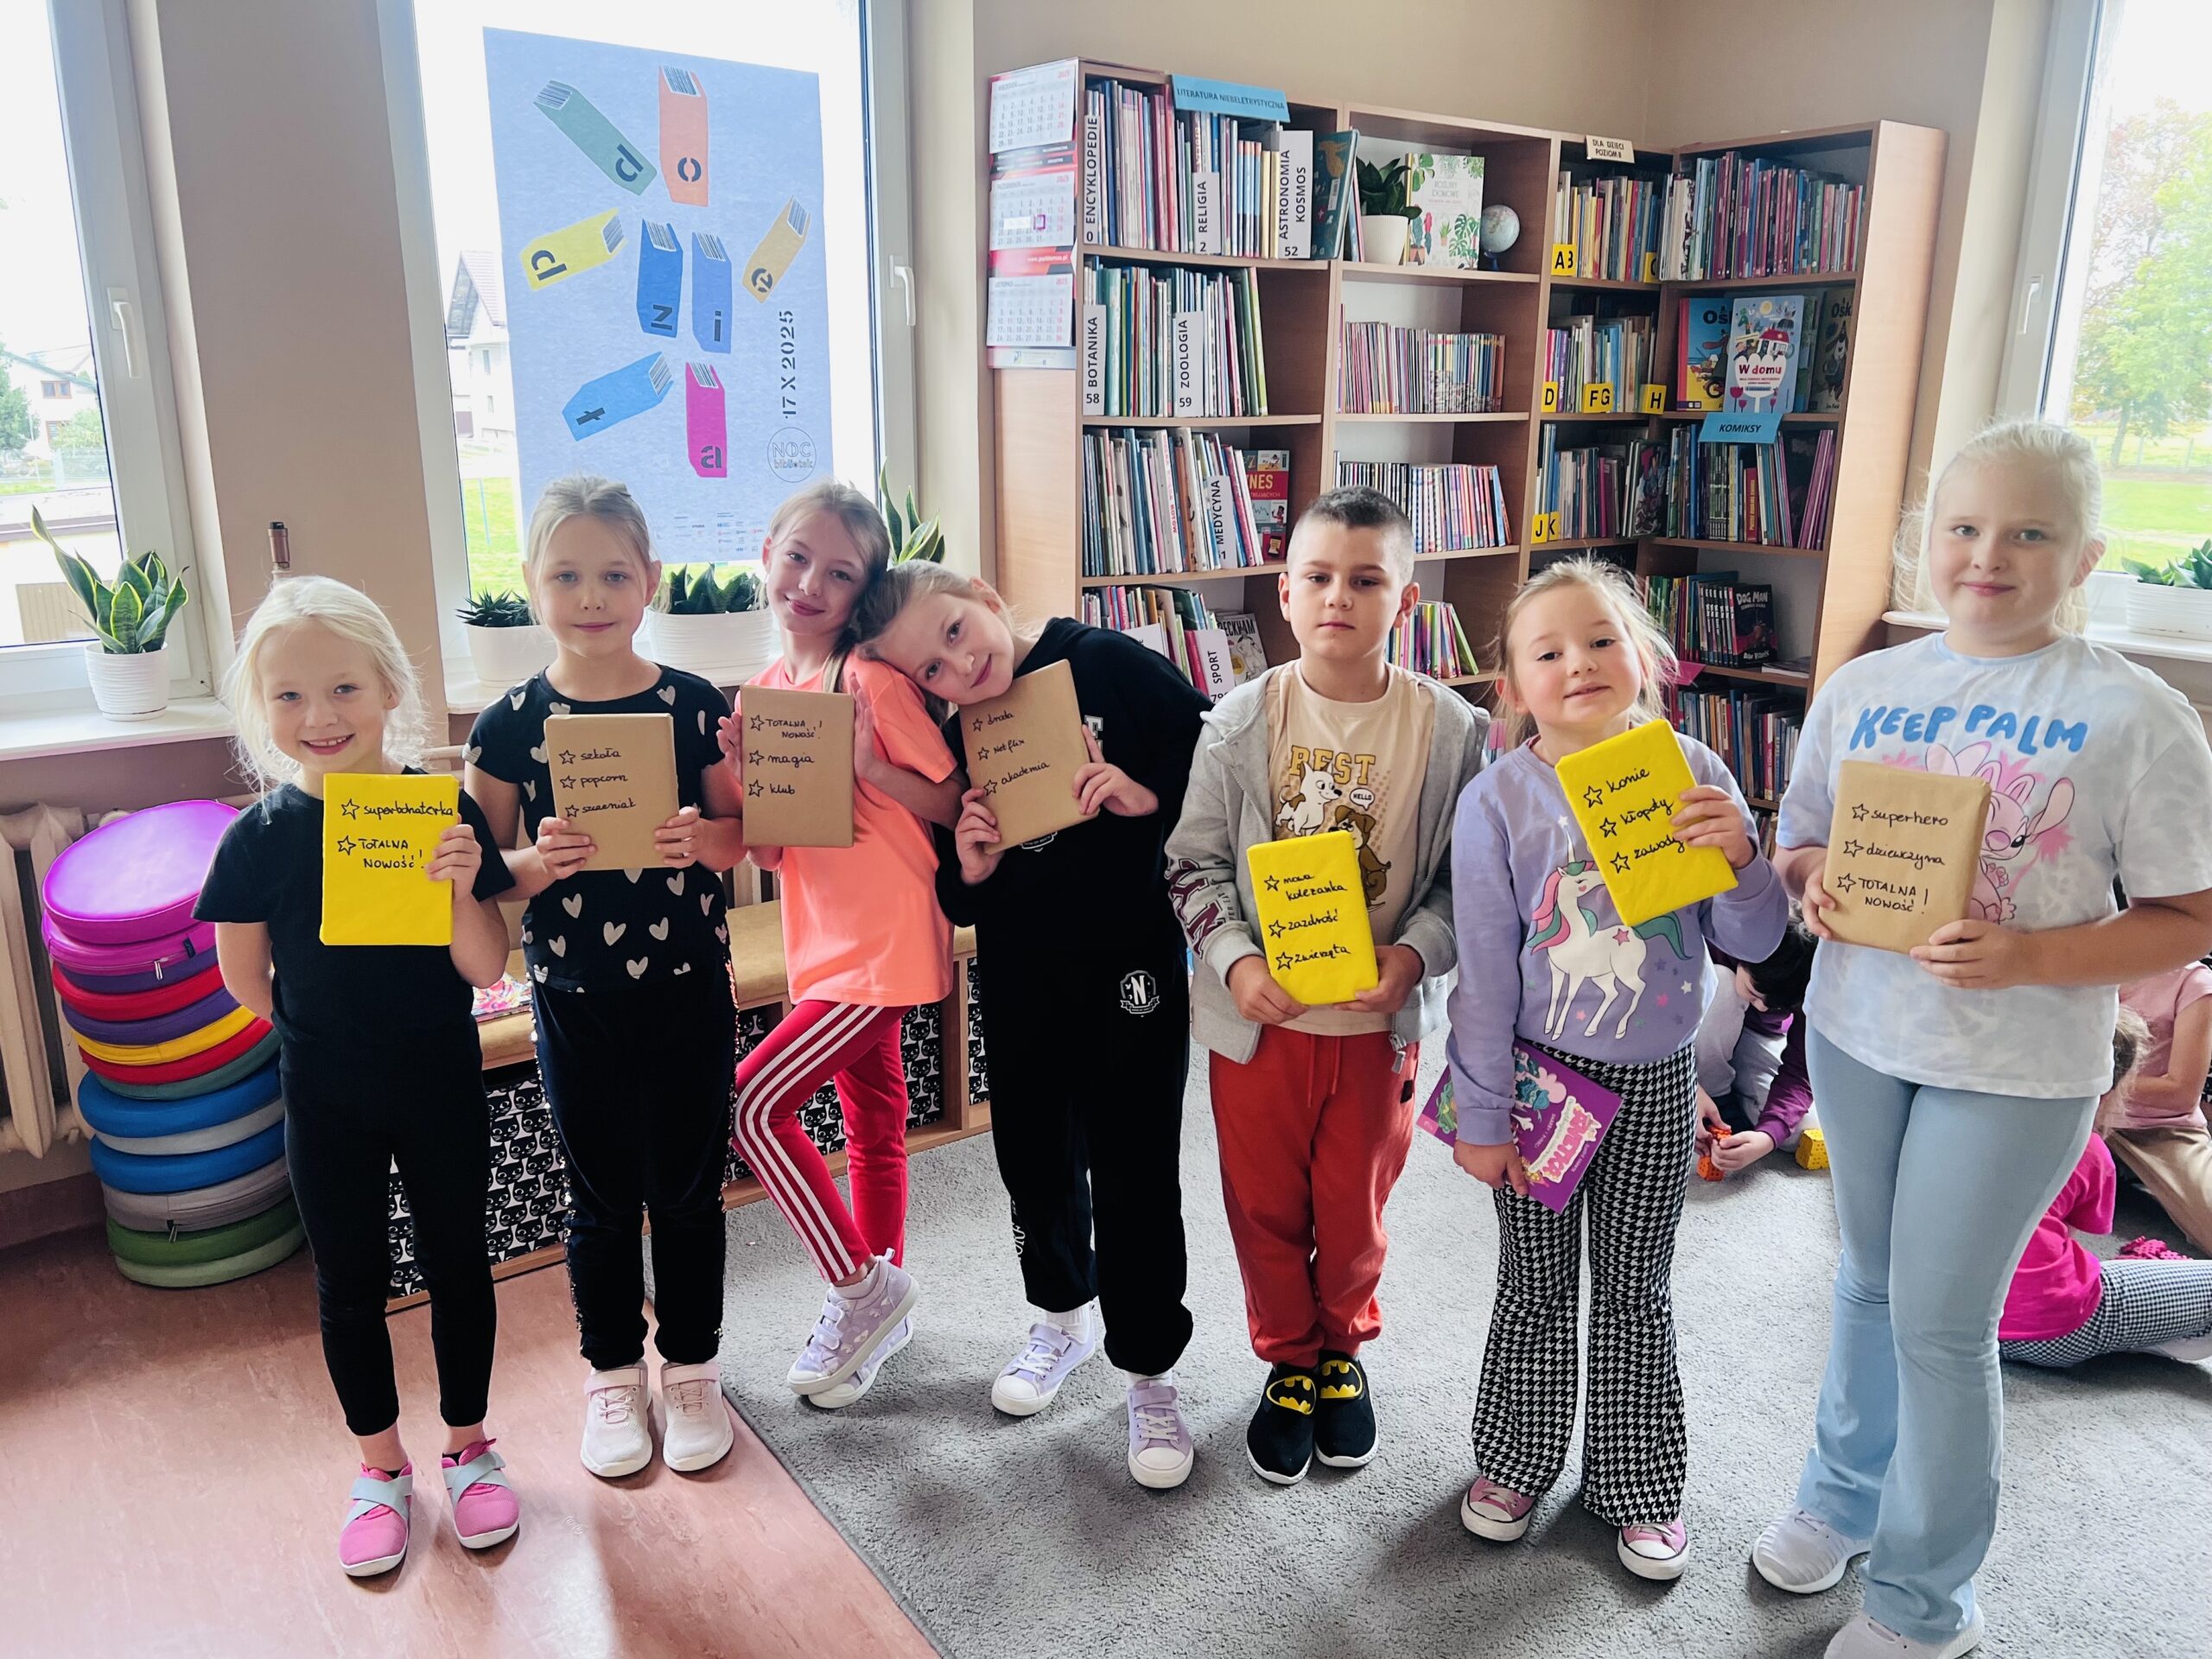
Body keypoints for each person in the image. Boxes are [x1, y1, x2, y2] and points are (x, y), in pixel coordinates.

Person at [1753, 420, 2212, 1659]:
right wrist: (1812, 881)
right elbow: (1801, 840)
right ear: (1927, 541)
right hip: (1858, 1032)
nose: (1987, 555)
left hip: (2015, 1069)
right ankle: (1839, 1502)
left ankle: (1924, 1606)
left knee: (1944, 1326)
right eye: (1962, 527)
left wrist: (2028, 958)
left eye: (2029, 532)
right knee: (1864, 1281)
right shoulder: (1866, 687)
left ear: (2086, 557)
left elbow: (2191, 914)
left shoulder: (2136, 714)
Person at [1447, 556, 1786, 1581]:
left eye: (1601, 640)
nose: (1579, 663)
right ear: (1512, 686)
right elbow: (1484, 974)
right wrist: (1482, 1114)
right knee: (1534, 1284)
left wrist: (1743, 860)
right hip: (1541, 1082)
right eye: (1547, 651)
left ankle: (1635, 1483)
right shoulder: (1497, 801)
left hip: (1657, 1080)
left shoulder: (1694, 768)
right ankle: (1515, 1461)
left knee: (1637, 1287)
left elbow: (1753, 938)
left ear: (1643, 657)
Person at [854, 559, 1210, 1487]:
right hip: (1022, 981)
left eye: (955, 633)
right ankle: (1060, 1319)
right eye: (931, 670)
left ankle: (1150, 1370)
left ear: (983, 596)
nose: (958, 668)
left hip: (1131, 972)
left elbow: (1213, 762)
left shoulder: (1107, 662)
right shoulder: (957, 741)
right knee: (1034, 1159)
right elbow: (957, 892)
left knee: (1135, 1166)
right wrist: (972, 865)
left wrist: (1143, 795)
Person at [1163, 486, 1488, 1486]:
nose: (1337, 597)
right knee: (1263, 1205)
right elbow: (1191, 864)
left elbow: (1465, 884)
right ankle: (1288, 1361)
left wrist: (1416, 954)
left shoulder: (1451, 731)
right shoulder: (1237, 721)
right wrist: (1236, 961)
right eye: (1317, 577)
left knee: (1354, 1206)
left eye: (1365, 579)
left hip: (1376, 1029)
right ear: (1285, 591)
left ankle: (1342, 1348)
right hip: (1259, 1026)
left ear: (1407, 599)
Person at [200, 575, 519, 1576]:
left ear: (389, 690)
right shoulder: (256, 840)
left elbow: (487, 966)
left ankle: (469, 1447)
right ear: (262, 711)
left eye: (343, 688)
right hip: (325, 1092)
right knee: (349, 1279)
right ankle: (380, 1468)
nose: (320, 715)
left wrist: (462, 885)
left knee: (458, 1261)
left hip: (439, 1078)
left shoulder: (442, 813)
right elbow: (246, 979)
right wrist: (324, 1035)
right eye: (289, 695)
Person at [469, 477, 744, 1479]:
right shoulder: (508, 724)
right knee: (599, 1195)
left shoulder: (692, 703)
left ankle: (694, 1366)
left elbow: (741, 836)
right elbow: (483, 872)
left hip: (687, 982)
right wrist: (539, 862)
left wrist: (698, 840)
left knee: (688, 1188)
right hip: (572, 992)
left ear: (651, 581)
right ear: (531, 583)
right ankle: (612, 1373)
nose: (591, 596)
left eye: (615, 575)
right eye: (566, 576)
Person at [716, 481, 962, 1410]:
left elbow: (954, 803)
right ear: (766, 552)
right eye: (797, 558)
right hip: (821, 943)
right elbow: (774, 853)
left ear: (864, 591)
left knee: (750, 1107)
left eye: (840, 572)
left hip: (882, 949)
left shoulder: (870, 681)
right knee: (874, 1125)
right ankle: (879, 1307)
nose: (810, 584)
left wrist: (871, 767)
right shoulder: (766, 692)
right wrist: (747, 778)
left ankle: (861, 1289)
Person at [2002, 1009, 2212, 1369]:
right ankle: (2144, 1329)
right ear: (2109, 1090)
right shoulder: (2087, 1148)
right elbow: (2073, 1235)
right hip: (2048, 1330)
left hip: (1953, 1323)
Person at [2101, 940, 2212, 1255]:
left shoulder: (2192, 980)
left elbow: (2181, 1093)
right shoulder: (2083, 960)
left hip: (2158, 1127)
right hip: (2079, 1110)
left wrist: (2094, 1081)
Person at [1694, 916, 1818, 1179]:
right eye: (1755, 993)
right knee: (1722, 982)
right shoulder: (1717, 940)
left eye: (1777, 1007)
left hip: (1758, 1039)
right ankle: (1718, 1092)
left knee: (1796, 1131)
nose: (1762, 1007)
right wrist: (1690, 1088)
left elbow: (1800, 1072)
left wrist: (1765, 1138)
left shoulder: (1806, 986)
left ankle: (1730, 1092)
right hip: (1699, 1031)